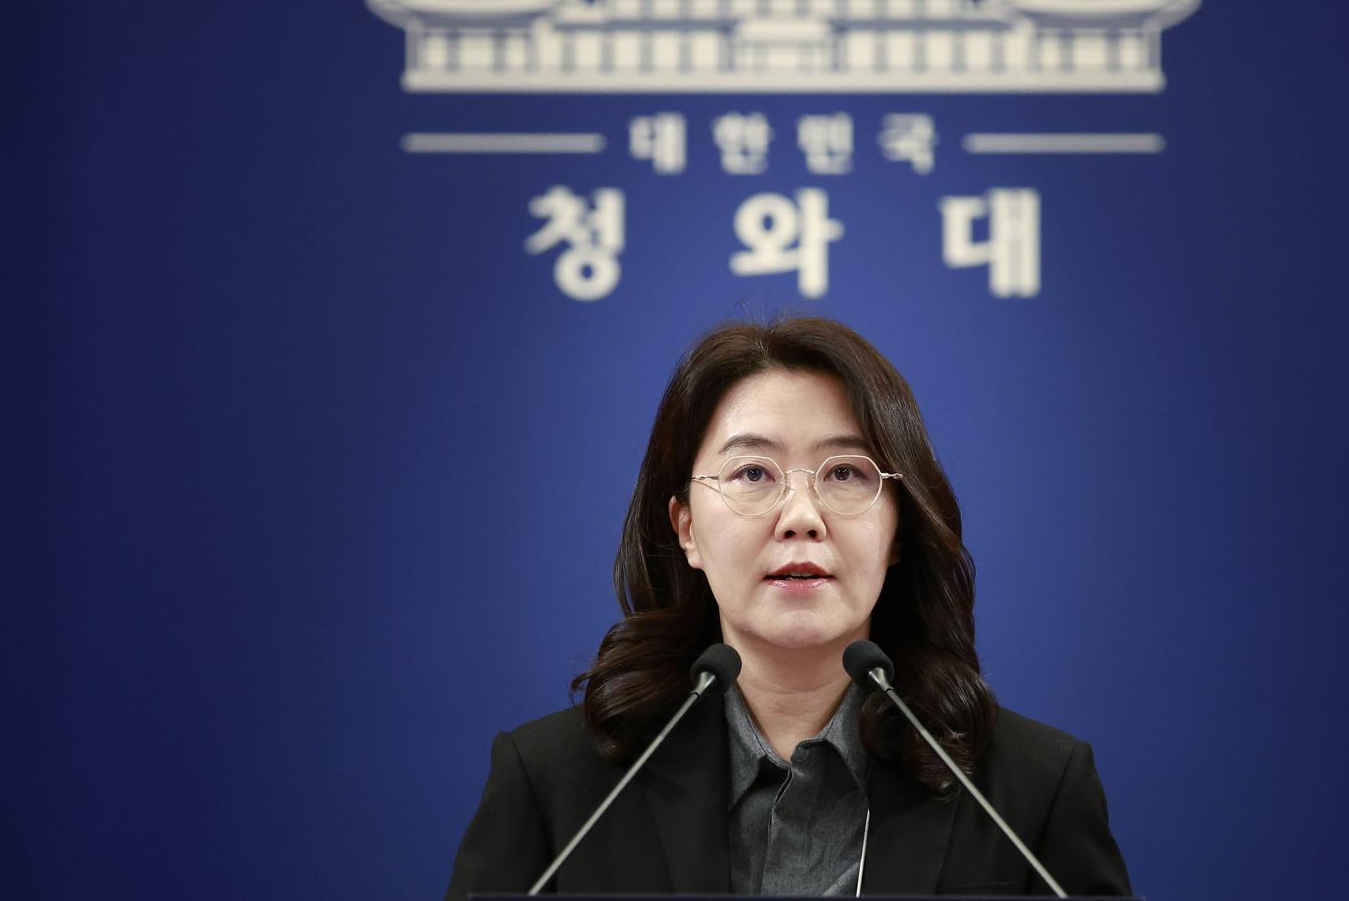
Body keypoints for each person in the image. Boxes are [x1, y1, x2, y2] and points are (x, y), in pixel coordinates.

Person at [444, 317, 1130, 897]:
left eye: (845, 473)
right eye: (752, 473)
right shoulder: (556, 786)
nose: (801, 516)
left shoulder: (1031, 792)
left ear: (899, 530)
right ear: (687, 528)